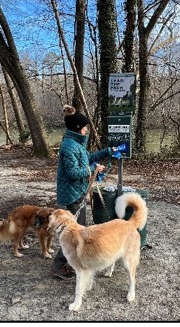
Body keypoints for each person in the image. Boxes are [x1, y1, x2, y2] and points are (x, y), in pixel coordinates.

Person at [52, 104, 115, 280]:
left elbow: (87, 158)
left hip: (77, 192)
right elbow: (73, 173)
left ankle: (68, 262)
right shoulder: (68, 147)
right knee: (73, 233)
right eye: (86, 126)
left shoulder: (76, 144)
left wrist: (107, 151)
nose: (87, 129)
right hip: (72, 195)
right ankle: (58, 265)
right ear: (78, 129)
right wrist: (93, 169)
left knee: (77, 230)